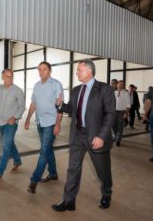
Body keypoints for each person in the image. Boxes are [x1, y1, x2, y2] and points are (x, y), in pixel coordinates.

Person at [52, 59, 116, 212]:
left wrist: (101, 136)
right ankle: (69, 201)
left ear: (89, 71)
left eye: (79, 70)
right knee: (73, 169)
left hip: (96, 137)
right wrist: (61, 105)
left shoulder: (104, 89)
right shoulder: (76, 90)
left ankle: (107, 193)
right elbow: (72, 109)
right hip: (77, 136)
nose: (76, 73)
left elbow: (110, 114)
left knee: (103, 170)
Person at [24, 61, 63, 194]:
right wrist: (28, 119)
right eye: (39, 69)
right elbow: (33, 103)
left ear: (50, 71)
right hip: (40, 122)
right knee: (48, 150)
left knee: (44, 151)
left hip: (51, 123)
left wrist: (58, 124)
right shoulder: (36, 85)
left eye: (44, 69)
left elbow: (60, 107)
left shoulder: (56, 85)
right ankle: (53, 174)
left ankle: (33, 181)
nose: (41, 72)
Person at [0, 69, 25, 183]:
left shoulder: (18, 91)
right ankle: (17, 160)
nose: (9, 79)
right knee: (10, 144)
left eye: (11, 77)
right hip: (0, 122)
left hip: (11, 124)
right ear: (2, 77)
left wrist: (14, 118)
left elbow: (22, 107)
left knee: (5, 147)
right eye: (7, 77)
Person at [113, 80, 131, 146]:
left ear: (123, 86)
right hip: (113, 112)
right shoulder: (114, 92)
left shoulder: (126, 93)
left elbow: (128, 104)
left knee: (120, 127)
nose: (121, 85)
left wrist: (126, 113)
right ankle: (116, 136)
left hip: (122, 112)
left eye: (122, 84)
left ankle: (118, 140)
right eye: (119, 84)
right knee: (113, 126)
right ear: (117, 85)